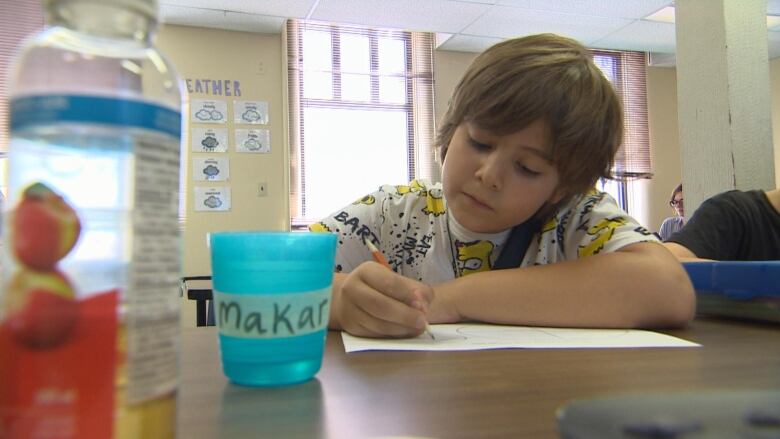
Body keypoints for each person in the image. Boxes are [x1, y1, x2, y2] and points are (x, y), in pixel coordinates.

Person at [310, 33, 694, 338]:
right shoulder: (392, 213)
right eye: (479, 142)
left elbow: (668, 288)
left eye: (527, 168)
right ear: (450, 130)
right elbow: (260, 276)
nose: (489, 175)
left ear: (560, 189)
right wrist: (340, 301)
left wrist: (452, 300)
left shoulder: (576, 218)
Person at [664, 188, 780, 261]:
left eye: (682, 201)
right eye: (675, 202)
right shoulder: (729, 211)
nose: (678, 205)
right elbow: (666, 262)